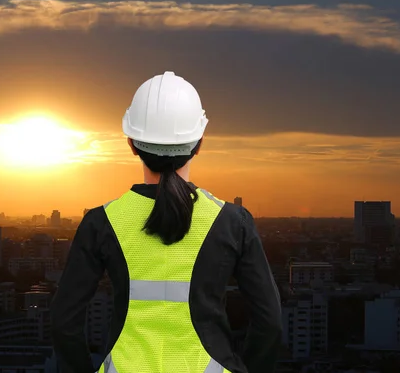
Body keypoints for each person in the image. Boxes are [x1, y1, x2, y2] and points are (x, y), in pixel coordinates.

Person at [50, 71, 282, 373]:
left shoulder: (101, 223)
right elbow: (270, 323)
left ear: (131, 143)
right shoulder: (232, 222)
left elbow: (63, 321)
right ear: (199, 142)